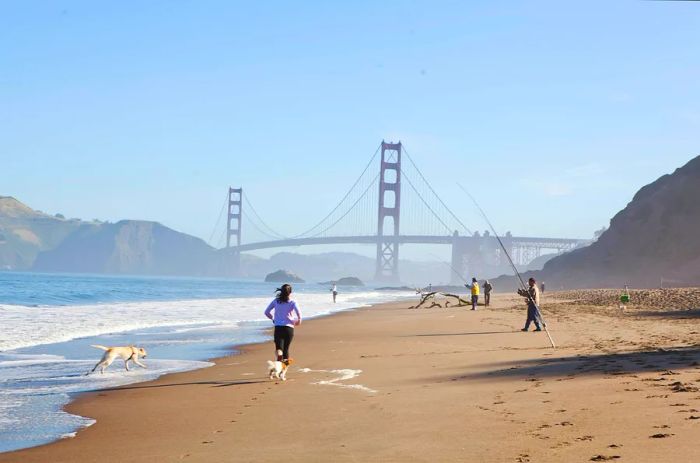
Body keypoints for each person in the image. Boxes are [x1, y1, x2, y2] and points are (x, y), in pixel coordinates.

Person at [264, 284, 302, 361]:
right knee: (286, 349)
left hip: (278, 327)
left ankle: (279, 357)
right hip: (289, 328)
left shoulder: (276, 301)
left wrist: (273, 319)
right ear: (290, 293)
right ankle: (283, 371)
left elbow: (266, 312)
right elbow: (299, 314)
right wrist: (298, 322)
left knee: (279, 349)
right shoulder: (292, 302)